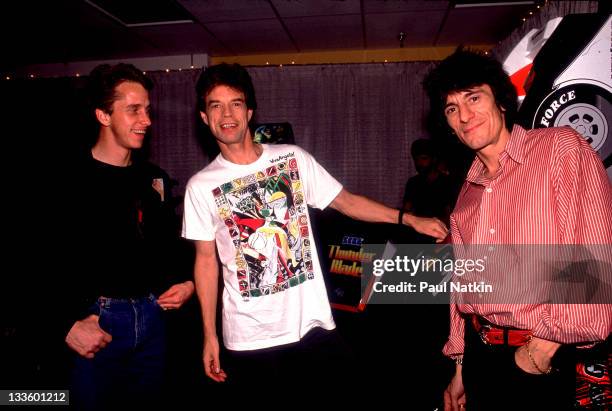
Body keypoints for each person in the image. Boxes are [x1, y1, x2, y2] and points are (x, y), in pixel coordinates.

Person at [181, 63, 448, 390]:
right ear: (204, 117)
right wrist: (209, 335)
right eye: (215, 106)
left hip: (312, 325)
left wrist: (409, 219)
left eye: (235, 103)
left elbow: (346, 202)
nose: (227, 114)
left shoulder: (292, 159)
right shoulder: (200, 186)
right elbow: (205, 261)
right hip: (248, 336)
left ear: (249, 111)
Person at [423, 48, 612, 411]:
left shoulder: (560, 149)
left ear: (502, 102)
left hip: (544, 357)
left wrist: (539, 352)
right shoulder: (467, 193)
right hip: (483, 356)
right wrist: (461, 365)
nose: (464, 116)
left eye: (473, 98)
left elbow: (593, 255)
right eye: (451, 108)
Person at [63, 63, 195, 410]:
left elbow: (170, 245)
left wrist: (187, 281)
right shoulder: (66, 177)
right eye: (134, 110)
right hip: (97, 325)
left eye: (147, 110)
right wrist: (64, 325)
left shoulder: (154, 180)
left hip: (153, 319)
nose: (146, 120)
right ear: (103, 115)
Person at [403, 138, 461, 227]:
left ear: (434, 159)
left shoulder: (447, 182)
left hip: (441, 231)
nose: (419, 163)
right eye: (416, 159)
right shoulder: (413, 182)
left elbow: (452, 217)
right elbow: (406, 211)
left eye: (424, 159)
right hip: (416, 232)